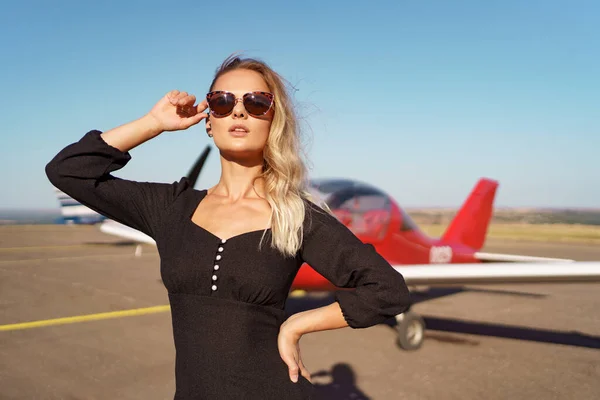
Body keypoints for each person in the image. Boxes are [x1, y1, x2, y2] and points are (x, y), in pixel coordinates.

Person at [45, 55, 411, 399]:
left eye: (256, 102)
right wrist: (153, 123)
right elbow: (68, 171)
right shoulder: (171, 207)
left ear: (274, 120)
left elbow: (387, 291)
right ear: (208, 120)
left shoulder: (296, 216)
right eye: (222, 101)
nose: (238, 110)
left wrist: (297, 325)